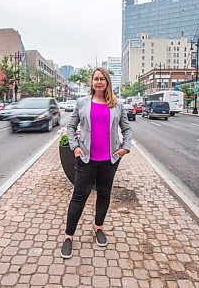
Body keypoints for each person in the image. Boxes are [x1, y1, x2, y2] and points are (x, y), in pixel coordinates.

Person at [61, 67, 132, 259]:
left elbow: (126, 129)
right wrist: (75, 147)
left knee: (104, 193)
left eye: (102, 79)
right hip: (86, 159)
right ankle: (68, 237)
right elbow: (70, 126)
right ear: (92, 82)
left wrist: (125, 148)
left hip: (109, 160)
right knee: (79, 196)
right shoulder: (82, 102)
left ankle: (98, 227)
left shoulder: (117, 105)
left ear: (107, 82)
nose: (99, 82)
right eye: (96, 79)